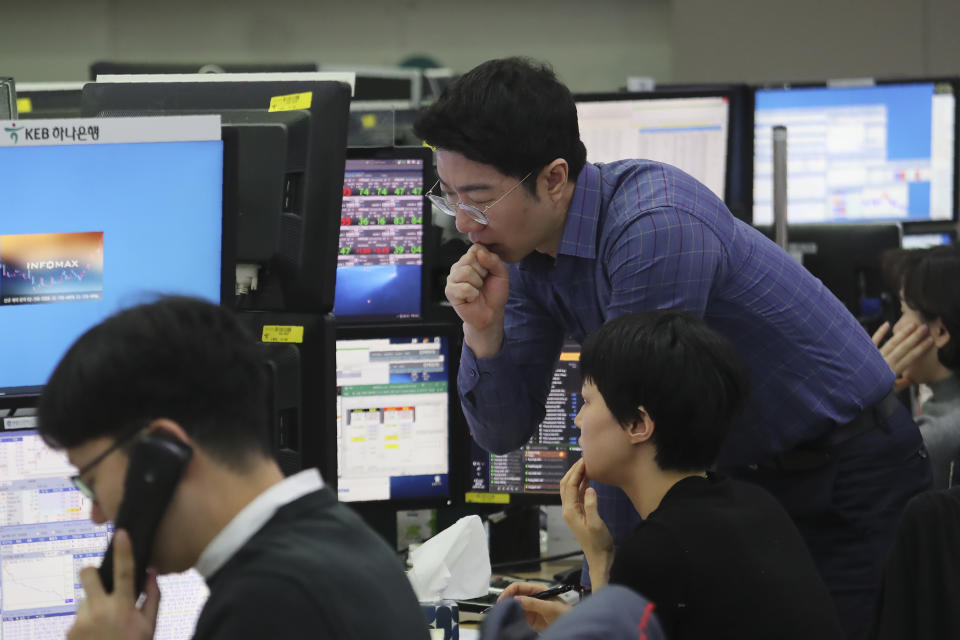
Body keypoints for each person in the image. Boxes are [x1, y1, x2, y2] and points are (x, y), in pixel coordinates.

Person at [414, 56, 931, 640]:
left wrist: (600, 598)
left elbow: (640, 437)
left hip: (846, 472)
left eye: (478, 198)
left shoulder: (654, 227)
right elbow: (503, 432)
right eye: (448, 195)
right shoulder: (526, 253)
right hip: (748, 481)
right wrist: (483, 334)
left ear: (554, 179)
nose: (462, 222)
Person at [36, 297, 429, 640]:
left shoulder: (267, 602)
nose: (96, 515)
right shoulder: (342, 541)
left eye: (91, 483)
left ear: (161, 451)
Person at [500, 311, 844, 639]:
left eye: (587, 401)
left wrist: (598, 558)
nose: (577, 420)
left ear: (638, 424)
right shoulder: (756, 505)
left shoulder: (657, 551)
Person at [872, 245, 960, 490]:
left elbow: (858, 486)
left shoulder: (936, 437)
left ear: (940, 332)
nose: (896, 328)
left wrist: (870, 396)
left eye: (903, 313)